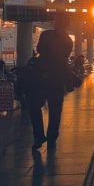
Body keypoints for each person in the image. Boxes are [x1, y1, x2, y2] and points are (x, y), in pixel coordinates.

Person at [28, 11, 73, 150]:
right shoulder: (68, 40)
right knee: (55, 110)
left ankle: (38, 137)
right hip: (57, 78)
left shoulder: (46, 34)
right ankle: (52, 137)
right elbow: (64, 58)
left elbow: (40, 49)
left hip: (41, 77)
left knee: (34, 106)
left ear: (55, 22)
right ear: (67, 24)